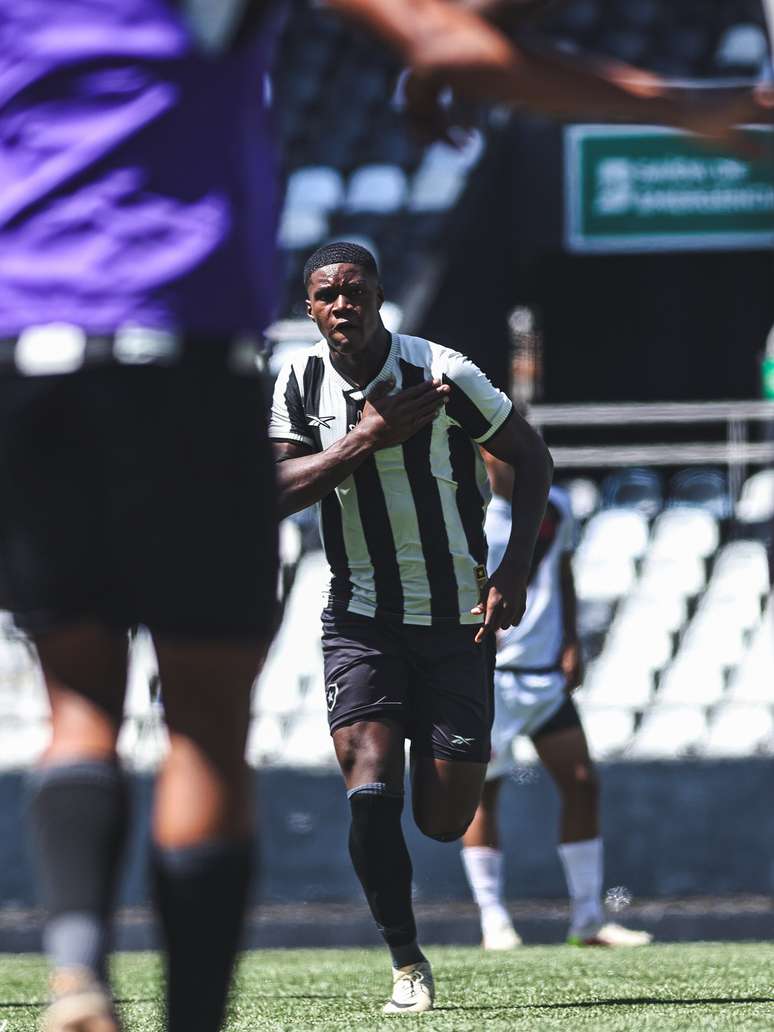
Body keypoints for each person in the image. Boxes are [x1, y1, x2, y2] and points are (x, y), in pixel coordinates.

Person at [269, 240, 553, 1014]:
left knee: (441, 818)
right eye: (326, 294)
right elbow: (271, 491)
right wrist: (365, 437)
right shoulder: (297, 382)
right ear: (310, 308)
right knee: (368, 785)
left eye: (353, 290)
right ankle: (407, 962)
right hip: (360, 617)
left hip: (455, 620)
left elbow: (531, 458)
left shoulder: (442, 373)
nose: (341, 305)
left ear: (379, 295)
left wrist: (515, 568)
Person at [460, 452, 651, 949]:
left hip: (544, 678)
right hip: (493, 681)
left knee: (582, 783)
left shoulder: (555, 506)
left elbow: (562, 573)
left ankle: (588, 919)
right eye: (499, 453)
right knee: (484, 795)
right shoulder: (467, 514)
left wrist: (571, 642)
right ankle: (494, 921)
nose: (509, 462)